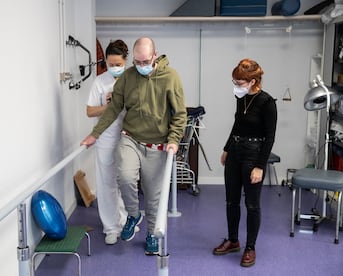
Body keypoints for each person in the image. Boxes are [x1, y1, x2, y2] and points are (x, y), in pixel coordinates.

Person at [81, 37, 187, 255]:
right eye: (137, 62)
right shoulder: (128, 77)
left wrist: (174, 140)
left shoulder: (170, 77)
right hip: (130, 139)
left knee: (153, 195)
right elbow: (113, 108)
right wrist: (95, 134)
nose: (141, 66)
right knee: (125, 176)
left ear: (155, 56)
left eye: (145, 61)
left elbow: (180, 114)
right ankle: (132, 214)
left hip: (157, 144)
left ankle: (150, 235)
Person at [213, 58, 277, 267]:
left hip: (253, 155)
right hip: (235, 152)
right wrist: (226, 148)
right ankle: (233, 241)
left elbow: (270, 137)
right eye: (234, 82)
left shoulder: (267, 103)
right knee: (231, 200)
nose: (236, 87)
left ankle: (250, 247)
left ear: (252, 81)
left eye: (239, 83)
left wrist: (260, 165)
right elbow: (237, 124)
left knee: (251, 204)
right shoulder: (241, 98)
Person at [86, 39, 129, 245]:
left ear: (126, 61)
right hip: (105, 138)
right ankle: (110, 228)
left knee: (125, 182)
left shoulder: (132, 80)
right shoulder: (100, 82)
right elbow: (89, 111)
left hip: (128, 137)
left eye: (118, 64)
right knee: (106, 184)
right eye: (111, 64)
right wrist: (110, 105)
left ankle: (124, 220)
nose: (115, 68)